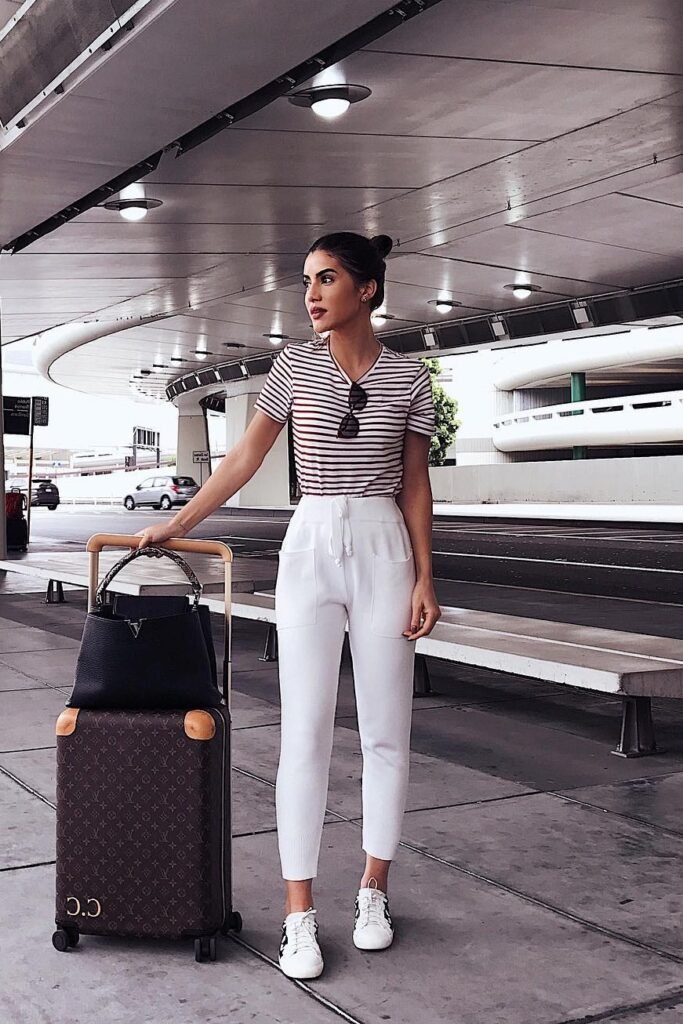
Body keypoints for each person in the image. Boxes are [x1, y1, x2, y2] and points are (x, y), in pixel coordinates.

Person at [137, 231, 442, 979]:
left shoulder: (409, 376)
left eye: (327, 279)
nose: (311, 294)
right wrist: (179, 524)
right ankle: (297, 913)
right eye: (307, 280)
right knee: (302, 734)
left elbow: (415, 483)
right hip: (310, 545)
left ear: (366, 289)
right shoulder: (293, 367)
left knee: (385, 735)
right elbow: (244, 459)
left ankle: (373, 891)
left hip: (385, 549)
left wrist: (426, 579)